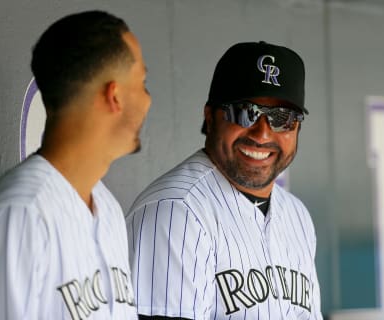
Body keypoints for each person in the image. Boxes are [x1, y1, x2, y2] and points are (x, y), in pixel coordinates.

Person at [0, 10, 151, 320]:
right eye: (142, 83)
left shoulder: (108, 209)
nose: (148, 100)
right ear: (114, 96)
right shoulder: (17, 217)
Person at [126, 41, 323, 320]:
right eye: (245, 111)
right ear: (210, 116)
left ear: (297, 127)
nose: (262, 133)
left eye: (282, 118)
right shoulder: (175, 211)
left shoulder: (297, 216)